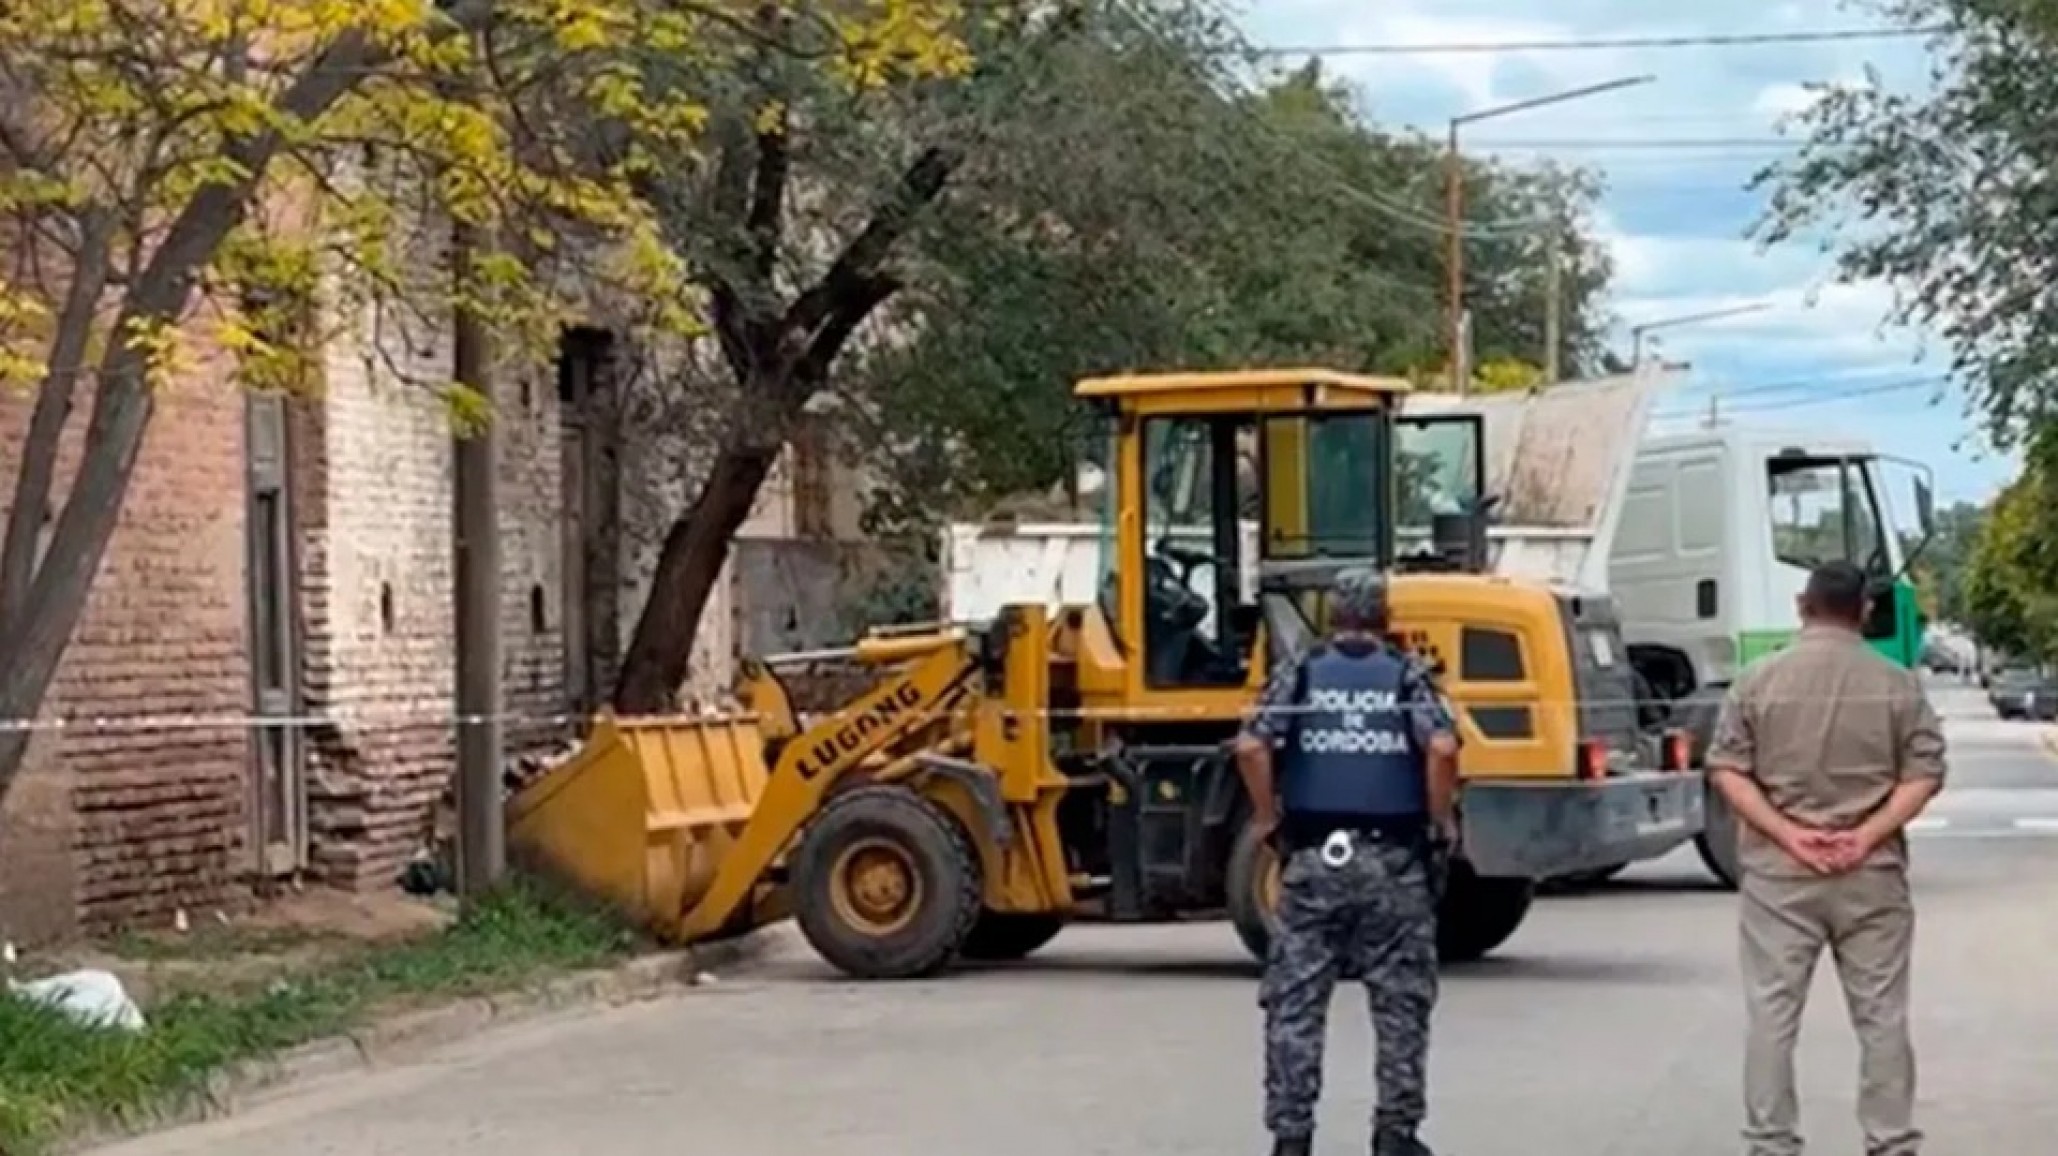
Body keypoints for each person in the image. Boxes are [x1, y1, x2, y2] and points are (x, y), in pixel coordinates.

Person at [1705, 560, 1946, 1156]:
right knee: (1882, 1016)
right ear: (1865, 611)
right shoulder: (1898, 685)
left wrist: (1788, 834)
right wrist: (1867, 835)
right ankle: (1890, 1140)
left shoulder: (1757, 681)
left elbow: (1728, 771)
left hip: (1779, 874)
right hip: (1872, 874)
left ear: (1802, 606)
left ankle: (1771, 1141)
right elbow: (1924, 774)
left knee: (1772, 1014)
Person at [1232, 568, 1462, 1156]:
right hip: (1394, 863)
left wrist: (1266, 817)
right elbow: (1441, 747)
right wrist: (1441, 822)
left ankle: (1291, 1137)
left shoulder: (1302, 672)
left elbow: (1252, 745)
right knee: (1400, 1003)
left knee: (1296, 1003)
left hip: (1314, 861)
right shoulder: (1406, 676)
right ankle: (1395, 1134)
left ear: (1333, 614)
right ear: (1384, 615)